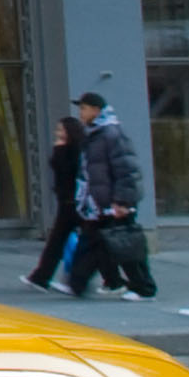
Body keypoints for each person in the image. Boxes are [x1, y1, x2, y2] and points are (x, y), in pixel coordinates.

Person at [64, 88, 154, 299]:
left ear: (96, 110)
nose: (81, 113)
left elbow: (127, 169)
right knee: (98, 244)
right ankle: (90, 283)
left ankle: (144, 287)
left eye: (84, 109)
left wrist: (122, 201)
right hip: (99, 203)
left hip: (113, 204)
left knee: (126, 247)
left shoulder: (110, 134)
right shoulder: (96, 134)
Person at [22, 103, 89, 290]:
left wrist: (59, 151)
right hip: (68, 202)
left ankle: (44, 277)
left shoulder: (74, 150)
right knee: (59, 242)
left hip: (74, 202)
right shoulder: (68, 148)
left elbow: (66, 172)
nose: (57, 133)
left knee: (66, 241)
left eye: (61, 129)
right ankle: (41, 277)